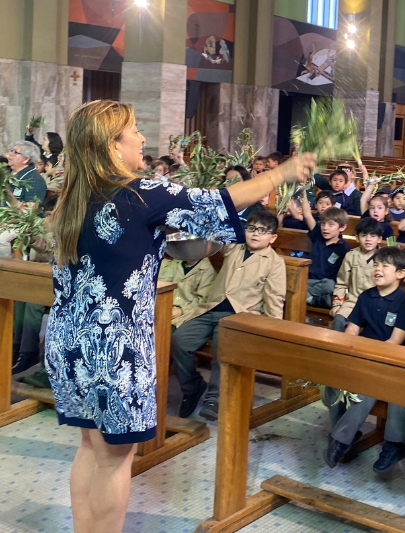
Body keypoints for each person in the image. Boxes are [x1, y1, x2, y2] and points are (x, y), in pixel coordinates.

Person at [45, 100, 314, 533]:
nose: (142, 138)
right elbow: (218, 201)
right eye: (134, 131)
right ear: (113, 145)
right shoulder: (140, 193)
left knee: (90, 447)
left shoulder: (73, 198)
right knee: (116, 459)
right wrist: (282, 172)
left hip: (67, 342)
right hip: (115, 348)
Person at [170, 210, 287, 421]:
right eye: (251, 228)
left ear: (273, 237)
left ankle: (214, 397)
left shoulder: (274, 262)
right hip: (211, 308)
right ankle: (192, 386)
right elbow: (217, 233)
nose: (255, 234)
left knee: (221, 343)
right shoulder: (234, 247)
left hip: (240, 316)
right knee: (179, 340)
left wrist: (271, 332)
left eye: (262, 230)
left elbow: (274, 298)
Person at [323, 247, 405, 467]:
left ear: (400, 274)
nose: (378, 269)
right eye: (376, 264)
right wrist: (353, 352)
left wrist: (368, 358)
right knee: (331, 382)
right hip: (364, 356)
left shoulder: (403, 301)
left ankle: (339, 440)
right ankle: (345, 433)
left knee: (364, 391)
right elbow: (352, 329)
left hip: (389, 361)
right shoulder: (367, 295)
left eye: (385, 265)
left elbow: (394, 342)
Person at [11, 194, 57, 377]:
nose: (49, 216)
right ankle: (16, 348)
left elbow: (52, 252)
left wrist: (37, 243)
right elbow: (42, 247)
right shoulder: (45, 223)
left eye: (52, 212)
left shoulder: (67, 225)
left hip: (54, 275)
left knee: (33, 302)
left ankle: (28, 353)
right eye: (48, 213)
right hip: (38, 270)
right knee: (20, 298)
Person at [330, 218, 383, 332]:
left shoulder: (384, 258)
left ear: (379, 239)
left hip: (376, 304)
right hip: (353, 302)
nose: (368, 239)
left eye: (373, 236)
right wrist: (337, 304)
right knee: (338, 321)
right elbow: (341, 283)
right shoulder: (351, 256)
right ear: (357, 237)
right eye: (364, 235)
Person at [303, 206, 350, 308]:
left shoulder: (343, 247)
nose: (325, 228)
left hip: (326, 284)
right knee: (295, 283)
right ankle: (313, 300)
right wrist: (302, 192)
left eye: (331, 225)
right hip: (309, 280)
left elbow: (343, 273)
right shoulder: (318, 237)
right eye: (323, 224)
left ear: (342, 227)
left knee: (330, 286)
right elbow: (307, 215)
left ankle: (308, 296)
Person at [158, 256, 217, 328]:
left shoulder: (207, 269)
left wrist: (182, 311)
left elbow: (203, 301)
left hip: (186, 316)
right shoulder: (173, 263)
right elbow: (161, 285)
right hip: (164, 311)